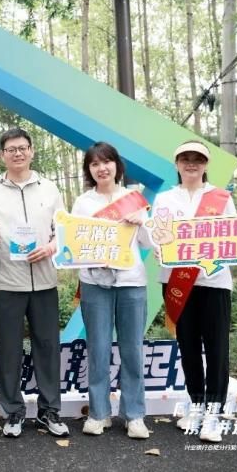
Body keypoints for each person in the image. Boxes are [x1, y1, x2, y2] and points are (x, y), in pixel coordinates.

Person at [0, 128, 68, 438]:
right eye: (11, 149)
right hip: (7, 282)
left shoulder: (49, 188)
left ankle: (49, 411)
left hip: (44, 281)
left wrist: (51, 247)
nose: (18, 153)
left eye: (23, 148)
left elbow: (62, 231)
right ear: (2, 155)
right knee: (9, 350)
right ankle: (13, 412)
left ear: (31, 151)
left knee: (48, 347)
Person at [150, 141, 236, 443]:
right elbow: (157, 235)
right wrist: (159, 248)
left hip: (214, 281)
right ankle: (196, 406)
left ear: (206, 164)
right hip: (176, 281)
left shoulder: (221, 198)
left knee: (216, 349)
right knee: (187, 346)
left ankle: (214, 413)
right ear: (176, 164)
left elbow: (234, 236)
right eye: (185, 158)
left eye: (197, 159)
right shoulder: (165, 199)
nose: (191, 163)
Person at [71, 142, 151, 440]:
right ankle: (98, 413)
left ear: (117, 165)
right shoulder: (83, 203)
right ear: (89, 170)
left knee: (132, 350)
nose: (101, 168)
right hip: (94, 283)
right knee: (98, 349)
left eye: (107, 162)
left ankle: (134, 415)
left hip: (131, 282)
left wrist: (143, 222)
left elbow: (149, 243)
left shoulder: (134, 198)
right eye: (95, 164)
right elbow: (74, 245)